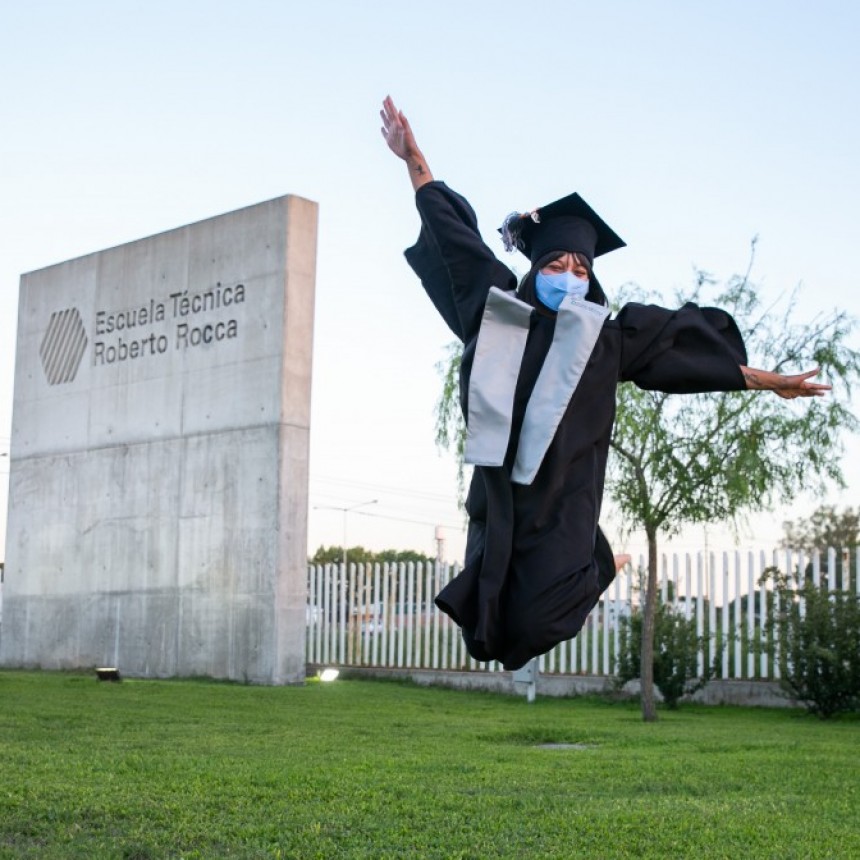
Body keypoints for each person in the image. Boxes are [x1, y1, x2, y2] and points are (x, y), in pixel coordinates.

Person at [380, 95, 830, 671]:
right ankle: (564, 582)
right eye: (555, 267)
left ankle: (599, 563)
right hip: (500, 496)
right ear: (534, 269)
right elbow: (452, 236)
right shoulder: (496, 311)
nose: (568, 278)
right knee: (489, 630)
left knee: (543, 619)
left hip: (565, 501)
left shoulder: (606, 338)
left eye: (580, 270)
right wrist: (413, 158)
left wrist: (769, 382)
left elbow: (680, 354)